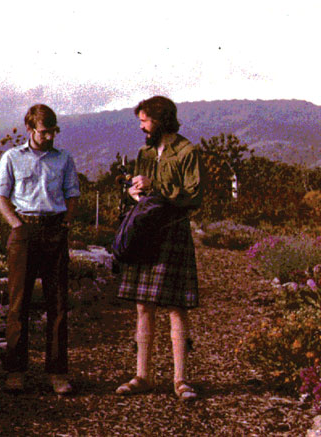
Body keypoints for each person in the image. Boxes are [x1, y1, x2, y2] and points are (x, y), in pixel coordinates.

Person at [114, 96, 203, 401]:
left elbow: (193, 196)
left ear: (162, 119)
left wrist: (154, 187)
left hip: (172, 231)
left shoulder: (187, 152)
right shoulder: (144, 152)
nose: (142, 127)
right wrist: (134, 192)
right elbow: (140, 194)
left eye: (145, 121)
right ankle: (142, 376)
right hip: (145, 232)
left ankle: (181, 380)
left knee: (176, 309)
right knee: (142, 305)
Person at [0, 104, 80, 394]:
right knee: (19, 304)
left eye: (54, 131)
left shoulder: (64, 158)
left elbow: (72, 195)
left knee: (58, 305)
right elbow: (0, 196)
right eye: (44, 132)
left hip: (55, 230)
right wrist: (17, 226)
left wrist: (65, 225)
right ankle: (15, 371)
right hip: (24, 232)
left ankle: (57, 373)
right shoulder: (12, 158)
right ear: (30, 130)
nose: (50, 137)